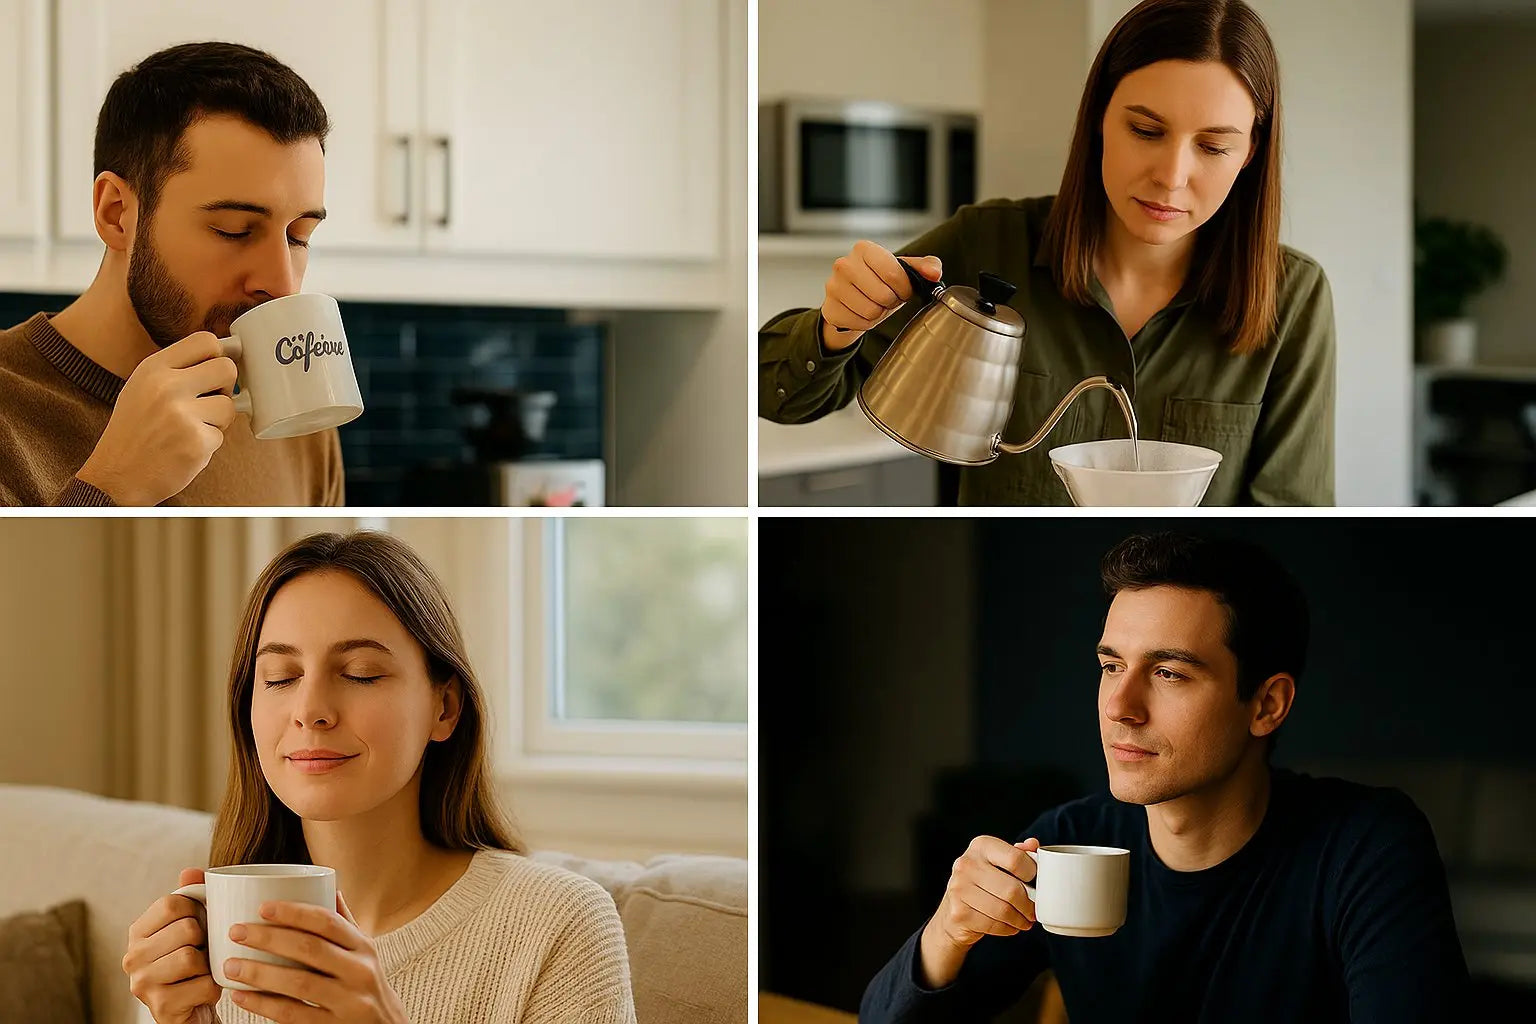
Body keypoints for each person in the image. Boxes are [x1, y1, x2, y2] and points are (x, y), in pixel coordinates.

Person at [860, 532, 1467, 1023]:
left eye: (1170, 673)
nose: (1119, 705)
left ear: (1266, 705)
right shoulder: (1069, 839)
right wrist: (947, 932)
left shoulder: (1363, 848)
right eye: (1110, 665)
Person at [760, 0, 1335, 506]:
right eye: (1145, 130)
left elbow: (1293, 512)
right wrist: (836, 327)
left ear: (1251, 151)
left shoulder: (1294, 297)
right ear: (1100, 120)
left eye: (1213, 146)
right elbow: (778, 398)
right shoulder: (986, 244)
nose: (1172, 177)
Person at [121, 532, 636, 1024]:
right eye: (280, 678)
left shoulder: (559, 923)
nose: (311, 711)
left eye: (361, 673)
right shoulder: (196, 949)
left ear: (445, 707)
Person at [0, 42, 345, 507]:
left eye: (299, 236)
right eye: (234, 230)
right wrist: (113, 487)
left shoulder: (296, 418)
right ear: (117, 213)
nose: (281, 284)